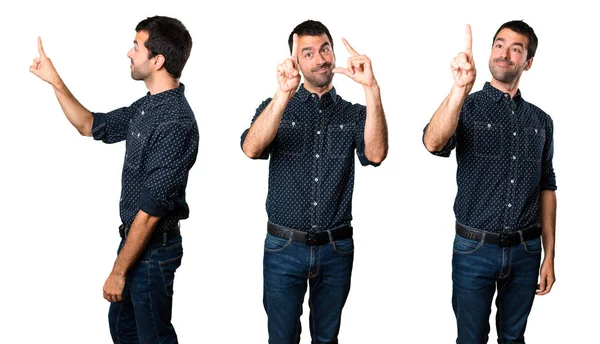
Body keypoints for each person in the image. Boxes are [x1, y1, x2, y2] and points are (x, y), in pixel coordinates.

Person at [30, 16, 198, 344]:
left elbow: (151, 211)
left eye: (136, 47)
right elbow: (90, 125)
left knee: (152, 338)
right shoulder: (147, 107)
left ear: (157, 60)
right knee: (124, 332)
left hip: (152, 251)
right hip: (134, 246)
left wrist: (118, 272)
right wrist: (54, 80)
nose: (129, 53)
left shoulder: (176, 123)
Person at [241, 19, 388, 344]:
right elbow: (251, 148)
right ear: (295, 61)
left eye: (324, 49)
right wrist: (283, 94)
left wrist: (371, 89)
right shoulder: (275, 107)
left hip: (336, 248)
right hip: (283, 247)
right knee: (282, 338)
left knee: (327, 338)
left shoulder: (354, 113)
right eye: (308, 53)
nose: (320, 58)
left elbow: (376, 154)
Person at [423, 21, 557, 343]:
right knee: (471, 339)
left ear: (528, 62)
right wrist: (458, 90)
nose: (504, 53)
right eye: (499, 44)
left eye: (516, 48)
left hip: (526, 251)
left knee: (513, 338)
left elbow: (547, 186)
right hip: (474, 250)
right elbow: (433, 142)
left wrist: (549, 254)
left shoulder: (541, 121)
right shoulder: (465, 106)